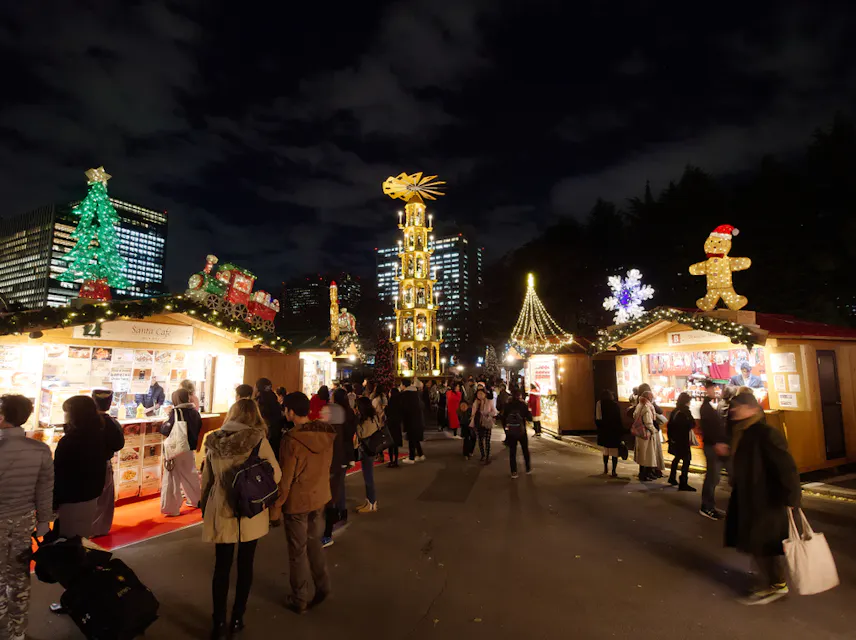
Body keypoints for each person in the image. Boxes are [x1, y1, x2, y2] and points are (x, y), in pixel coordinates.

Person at [201, 399, 282, 639]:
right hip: (250, 509)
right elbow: (276, 474)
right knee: (246, 565)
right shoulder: (258, 439)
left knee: (221, 567)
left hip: (222, 507)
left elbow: (207, 478)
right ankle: (237, 617)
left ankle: (218, 624)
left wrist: (205, 504)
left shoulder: (213, 439)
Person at [725, 393, 801, 605]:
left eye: (737, 407)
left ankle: (776, 584)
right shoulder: (743, 431)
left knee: (763, 543)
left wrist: (792, 497)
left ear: (751, 409)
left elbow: (786, 467)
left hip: (767, 499)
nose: (733, 411)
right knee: (756, 542)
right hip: (751, 497)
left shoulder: (765, 433)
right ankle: (770, 581)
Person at [271, 392, 337, 614]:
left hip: (298, 501)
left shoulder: (291, 440)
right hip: (319, 495)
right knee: (314, 542)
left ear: (290, 411)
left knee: (297, 551)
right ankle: (323, 585)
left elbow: (285, 480)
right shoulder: (326, 434)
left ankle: (299, 597)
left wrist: (276, 508)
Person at [0, 395, 53, 640]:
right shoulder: (41, 450)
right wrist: (43, 523)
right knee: (19, 578)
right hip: (24, 522)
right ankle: (18, 632)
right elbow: (44, 490)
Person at [53, 396, 108, 537]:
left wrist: (53, 502)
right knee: (81, 536)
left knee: (67, 539)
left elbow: (59, 473)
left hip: (71, 497)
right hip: (91, 494)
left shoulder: (69, 441)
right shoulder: (99, 435)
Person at [320, 389, 355, 547]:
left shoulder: (335, 419)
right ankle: (340, 513)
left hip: (337, 458)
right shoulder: (348, 413)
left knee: (333, 491)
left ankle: (329, 528)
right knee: (338, 487)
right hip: (345, 456)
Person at [160, 389, 202, 517]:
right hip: (188, 448)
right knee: (190, 475)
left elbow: (166, 429)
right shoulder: (195, 412)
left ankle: (171, 508)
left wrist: (164, 423)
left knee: (172, 477)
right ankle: (197, 500)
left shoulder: (176, 412)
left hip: (176, 449)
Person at [91, 389, 125, 537]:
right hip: (103, 463)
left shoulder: (83, 421)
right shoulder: (112, 422)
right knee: (103, 498)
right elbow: (118, 444)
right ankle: (98, 528)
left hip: (85, 464)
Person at [699, 380, 728, 520]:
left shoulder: (710, 406)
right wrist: (716, 443)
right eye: (711, 389)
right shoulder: (705, 408)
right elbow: (708, 428)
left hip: (715, 445)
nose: (714, 391)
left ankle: (710, 505)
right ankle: (706, 507)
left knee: (714, 477)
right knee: (712, 477)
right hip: (712, 446)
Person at [354, 397, 381, 513]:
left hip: (367, 450)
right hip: (372, 448)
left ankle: (371, 502)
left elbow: (362, 434)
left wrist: (356, 424)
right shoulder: (374, 417)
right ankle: (369, 501)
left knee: (368, 477)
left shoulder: (366, 420)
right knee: (368, 476)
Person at [666, 393, 696, 491]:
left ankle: (672, 477)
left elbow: (669, 426)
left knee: (677, 458)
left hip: (675, 439)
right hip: (683, 439)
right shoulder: (685, 411)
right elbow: (692, 424)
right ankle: (683, 482)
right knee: (686, 460)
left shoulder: (675, 410)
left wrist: (671, 438)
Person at [502, 389, 532, 478]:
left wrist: (506, 430)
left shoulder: (508, 405)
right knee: (525, 450)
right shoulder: (523, 405)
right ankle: (528, 468)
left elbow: (504, 418)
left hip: (511, 432)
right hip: (521, 431)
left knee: (512, 452)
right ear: (519, 395)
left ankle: (514, 472)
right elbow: (529, 417)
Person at [595, 390, 623, 477]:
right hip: (614, 431)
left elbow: (598, 417)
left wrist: (600, 428)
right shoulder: (615, 405)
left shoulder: (599, 404)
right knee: (614, 451)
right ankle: (614, 470)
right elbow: (619, 419)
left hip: (604, 430)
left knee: (606, 450)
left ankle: (605, 468)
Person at [632, 392, 658, 481]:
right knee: (647, 455)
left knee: (642, 454)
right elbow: (648, 422)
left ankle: (643, 473)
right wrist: (654, 430)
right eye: (651, 397)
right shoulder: (646, 407)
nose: (652, 398)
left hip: (639, 433)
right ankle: (644, 475)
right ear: (648, 397)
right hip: (645, 433)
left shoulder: (639, 405)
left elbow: (634, 415)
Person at [256, 378, 284, 457]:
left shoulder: (258, 403)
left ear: (257, 388)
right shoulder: (274, 401)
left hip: (262, 440)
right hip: (276, 439)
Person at [400, 378, 425, 463]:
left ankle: (411, 457)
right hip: (418, 418)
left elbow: (403, 408)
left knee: (411, 438)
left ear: (404, 385)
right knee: (415, 438)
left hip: (410, 419)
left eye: (401, 384)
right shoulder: (416, 393)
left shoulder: (405, 395)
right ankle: (420, 454)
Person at [471, 388, 497, 465]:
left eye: (481, 393)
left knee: (487, 440)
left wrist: (488, 414)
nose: (480, 395)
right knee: (480, 440)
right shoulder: (476, 402)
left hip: (487, 422)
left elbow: (494, 411)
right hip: (478, 423)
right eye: (478, 394)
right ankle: (483, 455)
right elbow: (473, 413)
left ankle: (487, 456)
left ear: (485, 394)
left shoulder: (489, 401)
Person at [385, 388, 404, 468]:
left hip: (390, 424)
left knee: (390, 443)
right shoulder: (400, 401)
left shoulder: (390, 401)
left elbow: (387, 412)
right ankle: (396, 461)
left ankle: (391, 461)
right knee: (395, 444)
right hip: (397, 424)